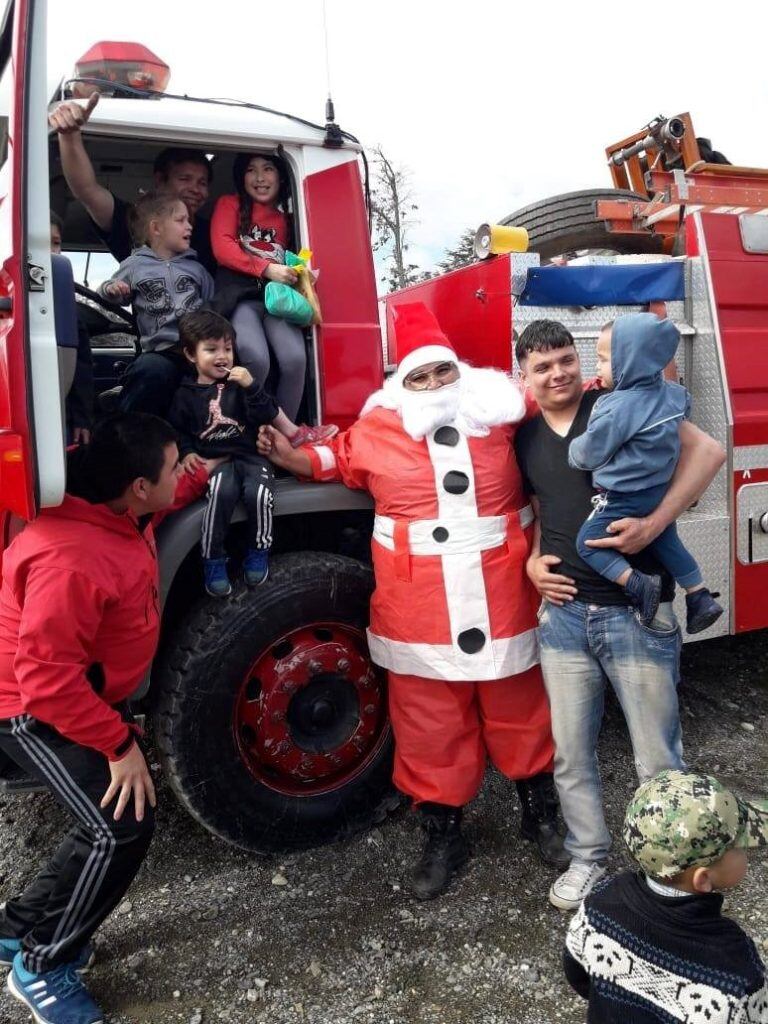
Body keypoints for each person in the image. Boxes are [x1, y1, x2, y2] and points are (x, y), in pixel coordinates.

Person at [258, 301, 566, 899]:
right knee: (429, 719)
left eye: (443, 372)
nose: (434, 386)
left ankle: (541, 811)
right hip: (417, 605)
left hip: (503, 591)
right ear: (401, 384)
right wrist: (293, 456)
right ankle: (442, 831)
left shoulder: (498, 409)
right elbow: (336, 457)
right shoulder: (378, 428)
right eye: (419, 377)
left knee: (520, 705)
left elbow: (560, 396)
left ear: (463, 372)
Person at [0, 414, 213, 1024]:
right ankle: (41, 967)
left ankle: (17, 928)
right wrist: (119, 744)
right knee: (119, 822)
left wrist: (200, 479)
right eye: (176, 466)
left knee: (104, 819)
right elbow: (45, 682)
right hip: (29, 708)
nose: (184, 470)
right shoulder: (71, 560)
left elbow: (164, 504)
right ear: (140, 487)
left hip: (76, 695)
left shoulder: (117, 507)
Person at [514, 319, 726, 911]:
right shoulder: (524, 437)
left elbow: (709, 453)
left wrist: (655, 525)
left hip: (637, 615)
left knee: (657, 754)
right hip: (562, 618)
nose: (558, 373)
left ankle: (673, 871)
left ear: (580, 362)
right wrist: (533, 565)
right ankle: (589, 860)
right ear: (524, 376)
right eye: (543, 366)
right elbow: (539, 508)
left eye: (565, 360)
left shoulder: (619, 401)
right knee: (571, 753)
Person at [564, 770, 768, 1022]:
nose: (749, 848)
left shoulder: (600, 904)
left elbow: (577, 973)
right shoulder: (735, 970)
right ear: (702, 879)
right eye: (741, 845)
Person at [569, 314, 723, 633]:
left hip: (625, 496)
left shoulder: (618, 408)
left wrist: (573, 449)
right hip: (658, 492)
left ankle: (639, 584)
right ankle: (699, 595)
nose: (596, 367)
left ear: (630, 361)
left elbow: (589, 454)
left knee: (587, 542)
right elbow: (684, 420)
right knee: (667, 541)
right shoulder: (673, 394)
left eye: (603, 360)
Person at [168, 310, 296, 596]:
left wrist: (251, 386)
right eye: (211, 349)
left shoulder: (241, 387)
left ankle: (258, 550)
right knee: (219, 496)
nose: (222, 356)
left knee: (260, 495)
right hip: (218, 465)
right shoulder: (184, 395)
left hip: (251, 457)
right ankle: (213, 559)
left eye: (227, 348)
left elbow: (266, 413)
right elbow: (178, 430)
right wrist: (187, 452)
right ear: (191, 355)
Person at [210, 151, 334, 446]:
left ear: (281, 178)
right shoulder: (230, 204)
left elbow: (296, 257)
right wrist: (266, 268)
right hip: (242, 300)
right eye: (251, 170)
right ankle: (246, 436)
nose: (260, 177)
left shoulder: (288, 220)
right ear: (242, 178)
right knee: (256, 359)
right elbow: (221, 247)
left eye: (268, 169)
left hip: (277, 303)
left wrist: (301, 273)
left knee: (294, 359)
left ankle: (281, 440)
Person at [49, 92, 217, 274]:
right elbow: (86, 189)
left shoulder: (215, 234)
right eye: (184, 179)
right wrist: (69, 135)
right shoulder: (134, 221)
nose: (195, 189)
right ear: (160, 180)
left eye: (202, 183)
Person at [97, 190, 214, 417]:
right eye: (180, 220)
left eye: (188, 220)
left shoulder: (196, 268)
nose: (189, 226)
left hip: (198, 351)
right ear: (156, 228)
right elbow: (109, 291)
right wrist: (112, 289)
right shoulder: (134, 265)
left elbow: (213, 306)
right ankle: (128, 429)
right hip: (162, 351)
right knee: (151, 370)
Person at [50, 211, 95, 443]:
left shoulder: (68, 309)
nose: (49, 252)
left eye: (55, 243)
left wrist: (81, 418)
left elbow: (81, 369)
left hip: (61, 411)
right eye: (39, 244)